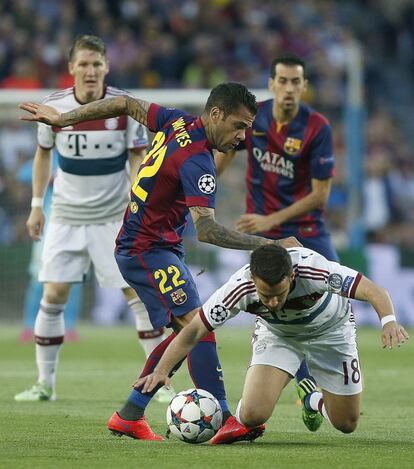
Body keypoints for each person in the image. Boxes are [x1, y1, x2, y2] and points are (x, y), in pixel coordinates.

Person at [20, 81, 299, 440]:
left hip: (151, 246)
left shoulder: (176, 121)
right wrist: (271, 247)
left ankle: (130, 413)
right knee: (199, 325)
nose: (241, 136)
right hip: (146, 250)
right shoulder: (198, 161)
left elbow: (124, 103)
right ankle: (225, 416)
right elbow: (209, 231)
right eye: (239, 126)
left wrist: (64, 119)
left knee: (188, 330)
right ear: (216, 115)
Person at [14, 34, 174, 404]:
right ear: (71, 68)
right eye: (83, 64)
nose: (90, 71)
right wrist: (37, 204)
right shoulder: (53, 107)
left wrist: (140, 200)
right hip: (66, 215)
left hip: (112, 218)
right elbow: (42, 155)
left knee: (136, 294)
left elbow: (137, 158)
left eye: (96, 64)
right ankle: (45, 384)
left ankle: (159, 382)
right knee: (53, 293)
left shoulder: (123, 107)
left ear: (107, 67)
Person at [137, 244, 409, 444]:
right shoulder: (238, 288)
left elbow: (375, 291)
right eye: (266, 295)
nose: (274, 302)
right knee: (254, 415)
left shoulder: (314, 268)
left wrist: (389, 321)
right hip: (278, 336)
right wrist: (162, 370)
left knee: (346, 424)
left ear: (291, 277)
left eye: (279, 294)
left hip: (332, 333)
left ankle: (312, 399)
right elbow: (194, 330)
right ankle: (245, 419)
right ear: (254, 280)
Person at [215, 52, 338, 261]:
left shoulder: (318, 127)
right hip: (263, 230)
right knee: (269, 289)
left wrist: (271, 219)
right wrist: (201, 183)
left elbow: (320, 195)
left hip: (306, 228)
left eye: (295, 82)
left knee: (337, 287)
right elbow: (226, 151)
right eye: (283, 81)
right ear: (271, 84)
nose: (289, 89)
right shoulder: (254, 116)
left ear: (304, 86)